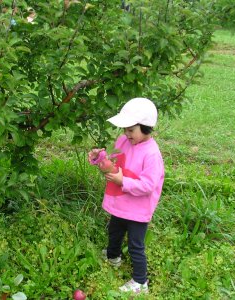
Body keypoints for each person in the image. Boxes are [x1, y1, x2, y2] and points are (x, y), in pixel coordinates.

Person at [88, 97, 165, 294]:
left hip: (138, 209)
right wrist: (100, 158)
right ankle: (113, 257)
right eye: (125, 129)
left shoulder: (151, 154)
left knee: (135, 245)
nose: (126, 134)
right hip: (121, 203)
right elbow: (115, 162)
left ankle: (140, 282)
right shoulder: (123, 140)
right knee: (114, 231)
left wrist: (124, 181)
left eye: (131, 130)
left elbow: (148, 185)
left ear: (146, 128)